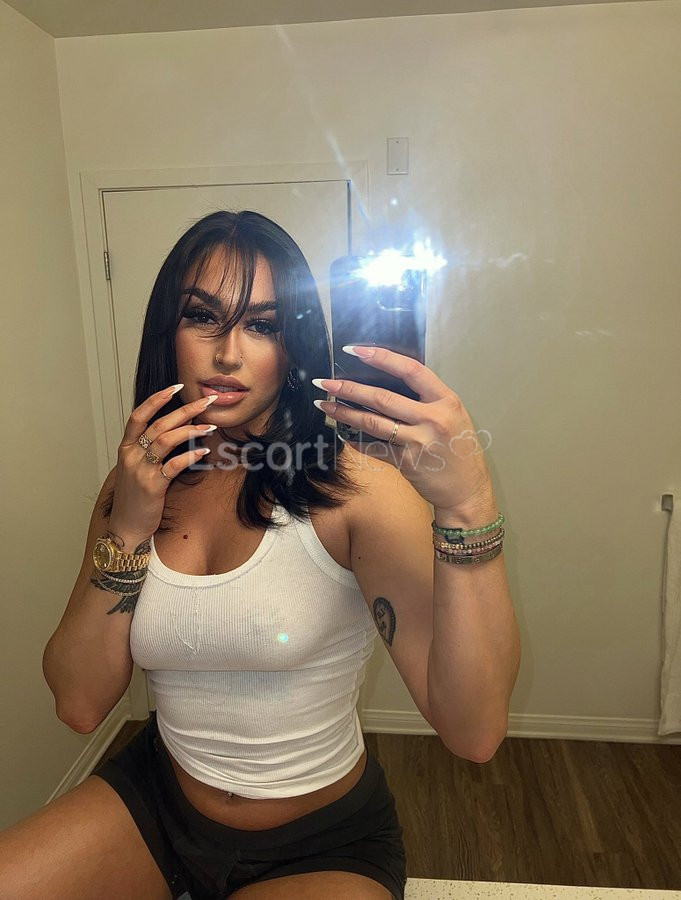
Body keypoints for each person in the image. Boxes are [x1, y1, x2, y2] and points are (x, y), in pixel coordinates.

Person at [1, 211, 519, 899]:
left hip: (319, 843)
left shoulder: (359, 489)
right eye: (202, 317)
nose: (227, 354)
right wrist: (125, 528)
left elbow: (474, 732)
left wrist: (467, 507)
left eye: (263, 325)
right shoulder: (139, 483)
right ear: (167, 332)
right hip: (157, 802)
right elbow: (78, 702)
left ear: (294, 344)